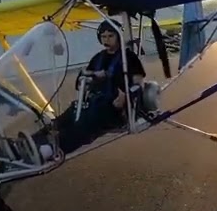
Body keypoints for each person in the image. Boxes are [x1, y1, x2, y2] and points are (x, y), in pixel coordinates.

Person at [38, 20, 146, 158]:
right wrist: (89, 75)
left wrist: (126, 96)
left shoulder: (129, 57)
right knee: (68, 116)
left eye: (110, 36)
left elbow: (138, 83)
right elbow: (82, 81)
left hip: (115, 108)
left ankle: (52, 150)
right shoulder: (98, 58)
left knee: (84, 124)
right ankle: (34, 141)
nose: (106, 39)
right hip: (94, 102)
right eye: (103, 36)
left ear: (118, 37)